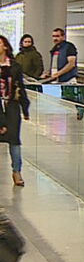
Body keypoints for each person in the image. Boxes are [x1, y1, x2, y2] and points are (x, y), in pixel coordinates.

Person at [0, 36, 31, 186]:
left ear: (5, 46)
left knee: (14, 139)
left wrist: (25, 108)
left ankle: (17, 171)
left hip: (11, 105)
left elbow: (21, 87)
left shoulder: (15, 66)